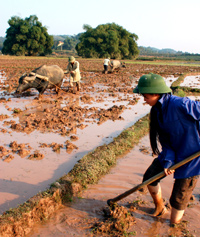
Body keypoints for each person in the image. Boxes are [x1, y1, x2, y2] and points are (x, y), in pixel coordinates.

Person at [133, 73, 200, 225]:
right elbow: (165, 141)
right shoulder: (157, 111)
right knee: (150, 178)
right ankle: (160, 207)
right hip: (172, 151)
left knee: (178, 197)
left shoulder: (181, 104)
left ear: (156, 94)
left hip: (191, 156)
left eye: (146, 96)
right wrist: (168, 161)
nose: (144, 99)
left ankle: (173, 226)